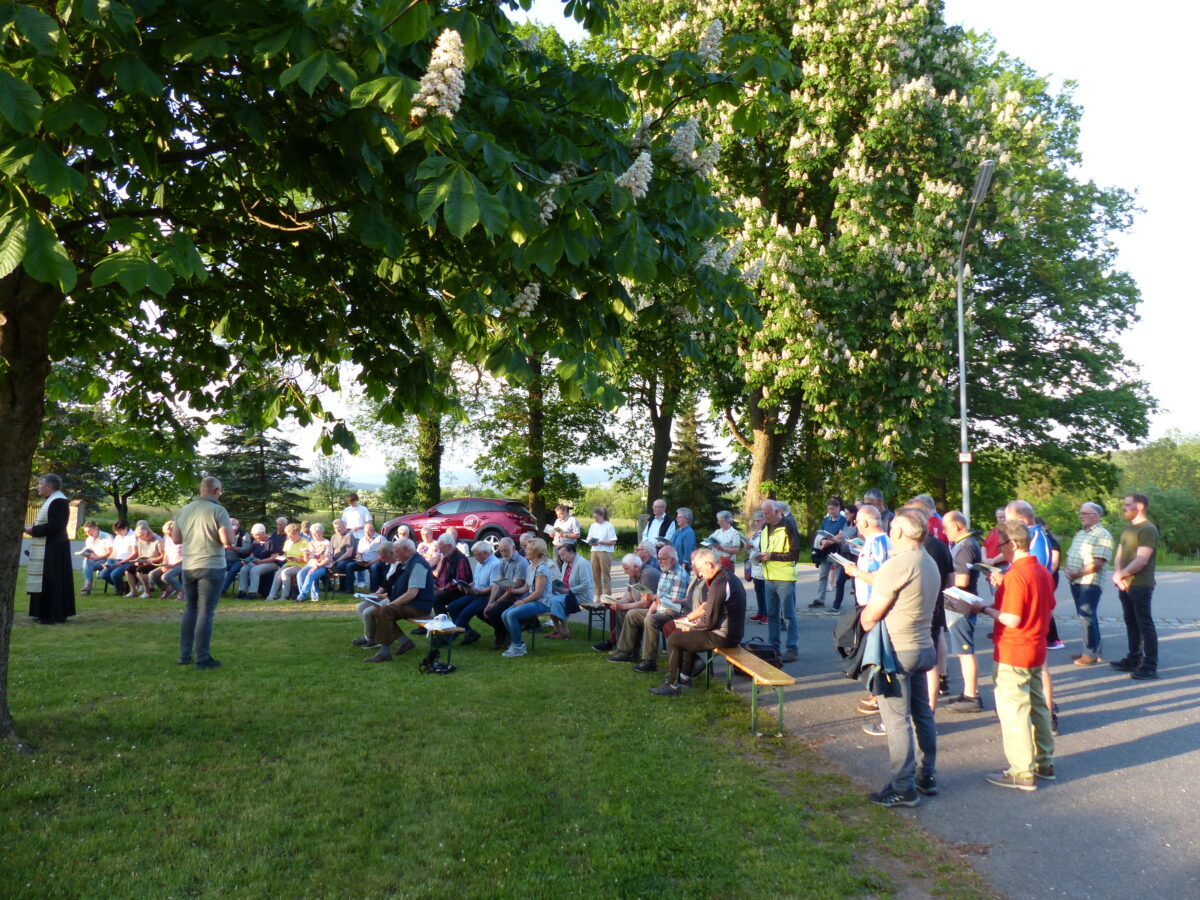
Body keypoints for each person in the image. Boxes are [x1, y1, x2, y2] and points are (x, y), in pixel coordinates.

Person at [948, 521, 1055, 791]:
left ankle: (1021, 771)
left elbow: (1012, 618)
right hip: (1035, 647)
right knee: (1038, 706)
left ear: (1015, 544)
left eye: (1002, 546)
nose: (998, 552)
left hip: (1013, 649)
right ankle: (1044, 762)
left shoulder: (1018, 574)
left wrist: (983, 608)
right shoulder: (1040, 570)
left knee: (1014, 711)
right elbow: (1046, 607)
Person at [859, 508, 939, 807]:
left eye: (893, 528)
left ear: (901, 533)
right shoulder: (928, 561)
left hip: (897, 650)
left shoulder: (897, 564)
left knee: (896, 720)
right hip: (923, 647)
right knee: (922, 714)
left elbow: (872, 615)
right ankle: (926, 775)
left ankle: (903, 787)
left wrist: (864, 621)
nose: (890, 532)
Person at [649, 548, 747, 696]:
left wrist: (690, 627)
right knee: (684, 635)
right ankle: (684, 677)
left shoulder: (720, 582)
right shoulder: (723, 576)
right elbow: (706, 607)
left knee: (676, 638)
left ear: (708, 564)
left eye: (700, 570)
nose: (699, 574)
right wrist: (687, 620)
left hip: (725, 635)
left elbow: (708, 622)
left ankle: (672, 684)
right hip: (725, 630)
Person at [170, 476, 234, 668]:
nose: (220, 494)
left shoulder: (184, 511)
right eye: (220, 491)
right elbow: (227, 541)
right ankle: (202, 658)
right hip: (211, 565)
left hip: (189, 566)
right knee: (205, 612)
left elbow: (176, 539)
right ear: (215, 491)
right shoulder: (218, 510)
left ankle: (184, 655)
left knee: (190, 609)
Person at [610, 545, 687, 671]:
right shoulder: (665, 573)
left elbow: (673, 605)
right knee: (632, 614)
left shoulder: (679, 576)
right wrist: (651, 610)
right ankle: (627, 652)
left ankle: (649, 661)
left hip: (673, 613)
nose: (659, 561)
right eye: (659, 558)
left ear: (672, 560)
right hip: (661, 609)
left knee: (650, 620)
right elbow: (658, 598)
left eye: (662, 559)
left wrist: (653, 600)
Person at [1110, 493, 1159, 680]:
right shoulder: (1128, 529)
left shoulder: (1148, 529)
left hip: (1141, 585)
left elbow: (1142, 560)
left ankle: (1150, 666)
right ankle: (1133, 658)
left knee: (1144, 624)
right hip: (1125, 584)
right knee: (1131, 622)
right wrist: (1118, 575)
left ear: (1140, 506)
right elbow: (1119, 555)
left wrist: (1121, 574)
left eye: (1127, 505)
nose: (1124, 508)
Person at [363, 539, 435, 662]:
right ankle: (405, 642)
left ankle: (384, 653)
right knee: (378, 611)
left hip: (418, 607)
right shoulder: (408, 562)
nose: (395, 554)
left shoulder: (418, 564)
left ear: (407, 551)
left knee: (385, 611)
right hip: (410, 604)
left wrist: (391, 604)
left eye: (397, 551)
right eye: (394, 551)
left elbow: (412, 593)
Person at [942, 511, 984, 713]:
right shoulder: (965, 544)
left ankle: (972, 696)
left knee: (965, 651)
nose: (944, 531)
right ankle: (969, 691)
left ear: (958, 526)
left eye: (946, 527)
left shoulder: (965, 547)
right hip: (958, 603)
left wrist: (940, 580)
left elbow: (962, 581)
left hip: (961, 604)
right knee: (961, 651)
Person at [1063, 502, 1114, 666]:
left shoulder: (1102, 535)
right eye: (1081, 513)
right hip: (1076, 581)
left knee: (1087, 617)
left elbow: (1098, 562)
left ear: (1095, 516)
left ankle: (1090, 654)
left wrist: (1077, 573)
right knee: (1086, 617)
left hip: (1089, 582)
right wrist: (1068, 570)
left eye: (1085, 513)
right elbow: (1070, 553)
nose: (1081, 516)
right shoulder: (1081, 534)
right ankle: (1092, 650)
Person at [25, 473, 76, 624]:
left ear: (50, 486)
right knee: (44, 579)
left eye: (40, 484)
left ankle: (53, 614)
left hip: (54, 546)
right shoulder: (51, 500)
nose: (38, 487)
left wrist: (34, 530)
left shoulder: (59, 501)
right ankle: (41, 612)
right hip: (49, 545)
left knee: (52, 580)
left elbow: (57, 525)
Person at [501, 539, 564, 658]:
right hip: (534, 600)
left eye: (528, 549)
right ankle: (519, 643)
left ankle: (517, 646)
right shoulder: (531, 567)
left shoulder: (542, 569)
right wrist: (512, 590)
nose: (525, 550)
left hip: (542, 603)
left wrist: (523, 601)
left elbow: (538, 593)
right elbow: (526, 588)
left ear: (536, 552)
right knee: (504, 614)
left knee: (511, 615)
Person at [756, 499, 801, 663]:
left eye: (767, 513)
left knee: (789, 615)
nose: (765, 516)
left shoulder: (788, 525)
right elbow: (764, 549)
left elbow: (795, 554)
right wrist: (760, 556)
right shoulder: (764, 527)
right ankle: (774, 647)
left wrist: (771, 556)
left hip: (785, 578)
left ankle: (792, 649)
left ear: (777, 512)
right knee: (772, 615)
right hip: (768, 577)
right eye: (763, 513)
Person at [445, 541, 502, 641]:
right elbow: (476, 582)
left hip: (485, 596)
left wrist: (476, 591)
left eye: (477, 555)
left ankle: (449, 638)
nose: (475, 558)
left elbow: (494, 587)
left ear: (485, 553)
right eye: (474, 555)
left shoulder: (495, 564)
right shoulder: (481, 562)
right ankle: (469, 632)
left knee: (465, 613)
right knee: (452, 607)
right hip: (475, 593)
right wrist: (467, 585)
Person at [549, 541, 594, 638]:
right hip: (567, 593)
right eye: (560, 556)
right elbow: (563, 581)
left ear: (572, 552)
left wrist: (569, 591)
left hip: (581, 595)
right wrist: (556, 587)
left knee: (556, 601)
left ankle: (565, 632)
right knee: (548, 598)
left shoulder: (582, 563)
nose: (561, 558)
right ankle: (557, 629)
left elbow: (586, 585)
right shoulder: (566, 563)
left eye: (563, 555)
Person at [809, 497, 847, 609]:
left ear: (839, 508)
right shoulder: (825, 520)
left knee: (839, 579)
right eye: (829, 509)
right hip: (825, 552)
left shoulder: (843, 521)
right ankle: (820, 599)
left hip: (837, 551)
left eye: (833, 509)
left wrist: (827, 541)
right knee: (823, 576)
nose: (831, 511)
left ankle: (837, 602)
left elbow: (840, 536)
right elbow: (820, 533)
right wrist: (822, 540)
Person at [264, 522, 307, 600]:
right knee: (277, 573)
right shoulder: (288, 542)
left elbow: (306, 558)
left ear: (297, 533)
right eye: (288, 536)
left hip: (300, 565)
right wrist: (281, 557)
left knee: (285, 573)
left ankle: (284, 596)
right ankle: (271, 595)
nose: (290, 538)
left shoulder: (304, 542)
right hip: (289, 563)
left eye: (292, 535)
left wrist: (296, 558)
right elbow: (285, 553)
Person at [237, 524, 278, 599]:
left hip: (270, 563)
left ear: (264, 533)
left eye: (258, 535)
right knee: (244, 568)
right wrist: (247, 560)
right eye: (254, 535)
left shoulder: (271, 541)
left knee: (255, 570)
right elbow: (252, 555)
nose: (256, 537)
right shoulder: (255, 542)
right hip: (257, 562)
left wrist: (261, 562)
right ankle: (242, 591)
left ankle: (252, 593)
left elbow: (274, 557)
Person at [296, 522, 333, 602]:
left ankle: (302, 596)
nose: (315, 535)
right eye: (313, 534)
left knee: (310, 575)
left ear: (322, 532)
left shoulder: (326, 543)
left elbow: (328, 559)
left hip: (323, 566)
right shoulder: (311, 543)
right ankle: (305, 595)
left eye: (317, 533)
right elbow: (307, 560)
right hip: (311, 564)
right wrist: (305, 555)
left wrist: (317, 566)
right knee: (300, 574)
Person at [585, 507, 617, 598]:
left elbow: (613, 541)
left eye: (597, 517)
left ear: (602, 515)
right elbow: (589, 538)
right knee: (595, 574)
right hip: (594, 551)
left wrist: (600, 542)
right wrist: (590, 542)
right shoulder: (593, 525)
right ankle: (597, 594)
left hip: (605, 551)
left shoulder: (609, 525)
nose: (595, 519)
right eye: (594, 517)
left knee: (605, 574)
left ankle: (607, 594)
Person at [99, 519, 138, 594]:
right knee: (103, 574)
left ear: (126, 528)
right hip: (117, 560)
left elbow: (135, 554)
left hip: (128, 561)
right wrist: (108, 562)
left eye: (120, 531)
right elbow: (114, 552)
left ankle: (119, 590)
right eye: (117, 532)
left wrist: (121, 562)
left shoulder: (132, 536)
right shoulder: (118, 537)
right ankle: (122, 586)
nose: (118, 533)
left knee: (114, 574)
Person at [129, 520, 165, 598]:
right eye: (138, 536)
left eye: (142, 535)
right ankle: (133, 591)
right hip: (144, 561)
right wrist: (137, 561)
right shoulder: (140, 540)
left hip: (156, 562)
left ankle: (147, 592)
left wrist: (151, 560)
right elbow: (140, 555)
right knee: (128, 569)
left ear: (147, 533)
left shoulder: (158, 540)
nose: (140, 537)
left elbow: (163, 555)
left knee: (140, 570)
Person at [151, 519, 184, 599]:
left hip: (181, 563)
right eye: (166, 534)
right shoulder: (167, 539)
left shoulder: (183, 539)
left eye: (169, 533)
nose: (168, 535)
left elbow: (186, 556)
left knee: (166, 577)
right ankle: (168, 589)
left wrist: (173, 564)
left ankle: (183, 592)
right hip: (169, 563)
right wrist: (164, 564)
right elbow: (166, 553)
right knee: (153, 574)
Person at [220, 517, 253, 595]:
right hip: (225, 560)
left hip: (239, 560)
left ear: (238, 526)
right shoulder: (224, 534)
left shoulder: (244, 535)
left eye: (233, 525)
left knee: (233, 570)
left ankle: (222, 590)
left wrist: (233, 548)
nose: (231, 527)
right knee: (217, 569)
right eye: (229, 525)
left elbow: (247, 550)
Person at [78, 520, 113, 595]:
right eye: (86, 532)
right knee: (86, 561)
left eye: (90, 531)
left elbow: (110, 552)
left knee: (86, 565)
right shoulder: (89, 539)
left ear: (96, 528)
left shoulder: (107, 536)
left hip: (106, 560)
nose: (88, 533)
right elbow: (89, 551)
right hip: (95, 560)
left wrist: (98, 557)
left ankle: (87, 587)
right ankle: (88, 586)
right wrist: (87, 554)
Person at [745, 510, 768, 623]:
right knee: (758, 590)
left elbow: (765, 547)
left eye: (758, 521)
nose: (756, 523)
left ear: (765, 520)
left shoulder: (767, 532)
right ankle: (760, 611)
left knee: (764, 591)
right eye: (755, 521)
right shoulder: (757, 532)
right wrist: (748, 546)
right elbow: (753, 544)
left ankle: (766, 613)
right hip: (755, 565)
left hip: (763, 565)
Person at [327, 519, 356, 593]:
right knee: (323, 564)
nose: (337, 529)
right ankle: (328, 586)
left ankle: (343, 587)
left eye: (339, 527)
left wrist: (336, 561)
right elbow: (330, 550)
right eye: (335, 528)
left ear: (344, 527)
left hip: (347, 559)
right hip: (334, 559)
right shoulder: (334, 536)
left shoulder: (349, 536)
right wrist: (328, 559)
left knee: (340, 565)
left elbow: (349, 553)